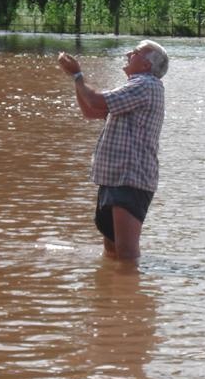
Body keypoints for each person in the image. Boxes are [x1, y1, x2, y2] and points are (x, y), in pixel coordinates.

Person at [58, 40, 168, 261]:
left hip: (130, 178)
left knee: (126, 253)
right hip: (115, 178)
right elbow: (90, 110)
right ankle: (115, 293)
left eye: (135, 52)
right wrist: (76, 80)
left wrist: (78, 75)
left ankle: (129, 291)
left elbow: (95, 100)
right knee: (111, 251)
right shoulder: (137, 87)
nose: (128, 54)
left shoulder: (145, 84)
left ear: (147, 65)